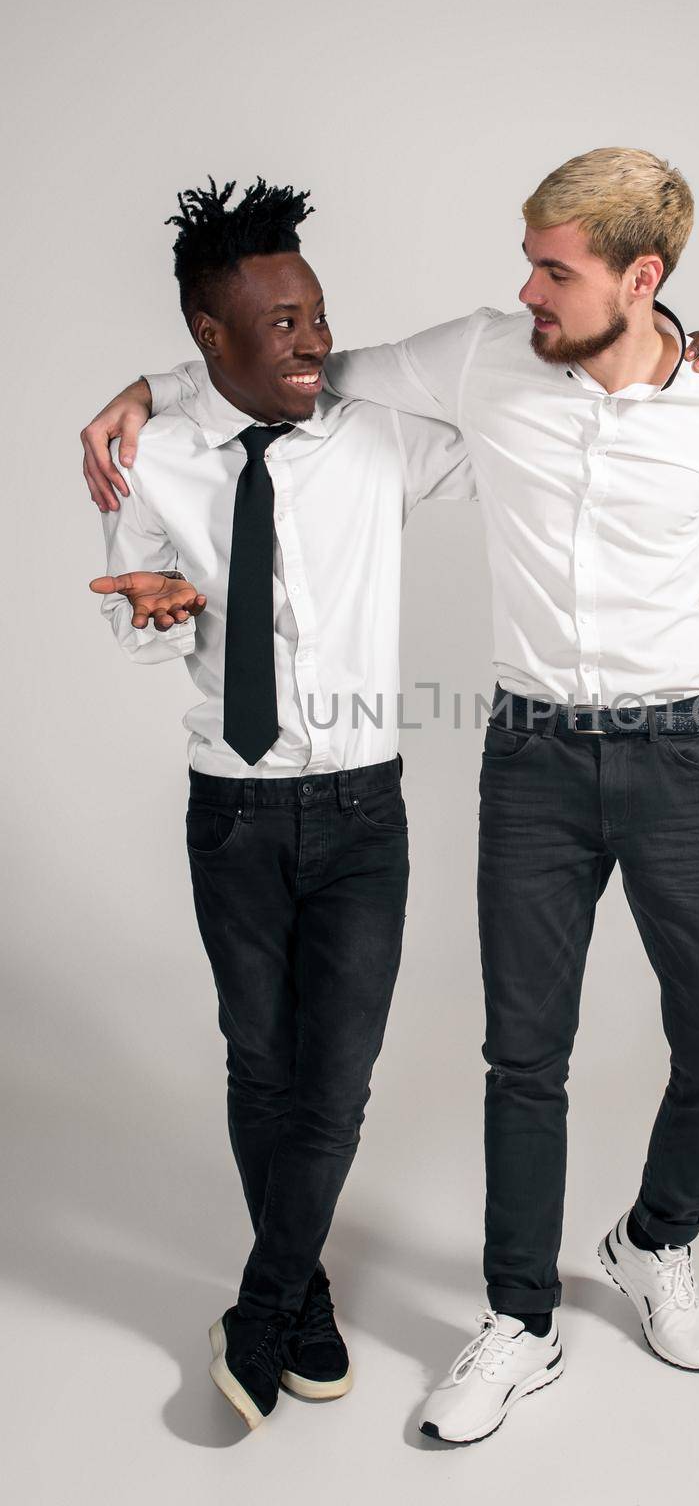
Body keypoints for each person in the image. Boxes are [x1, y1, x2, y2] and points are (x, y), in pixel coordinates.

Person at [82, 148, 699, 1447]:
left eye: (551, 266)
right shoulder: (456, 368)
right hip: (416, 773)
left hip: (626, 755)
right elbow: (291, 377)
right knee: (410, 1059)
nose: (521, 286)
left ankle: (633, 1245)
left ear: (638, 282)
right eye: (526, 260)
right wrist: (148, 404)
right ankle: (481, 1320)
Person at [87, 177, 477, 1429]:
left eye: (316, 314)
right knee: (259, 1063)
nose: (312, 340)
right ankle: (301, 1287)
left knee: (337, 1078)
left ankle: (259, 1308)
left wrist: (670, 344)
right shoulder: (144, 454)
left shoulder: (375, 434)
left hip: (364, 809)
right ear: (212, 336)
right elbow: (135, 610)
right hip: (234, 810)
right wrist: (154, 611)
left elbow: (517, 405)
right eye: (281, 324)